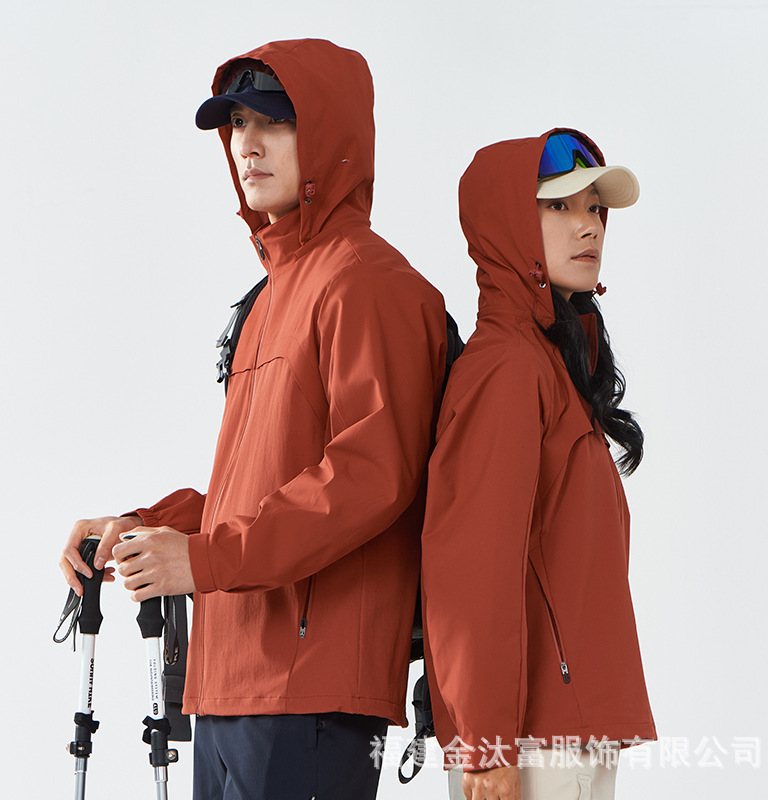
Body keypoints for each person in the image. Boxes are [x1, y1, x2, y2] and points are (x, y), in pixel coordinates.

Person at [59, 38, 446, 800]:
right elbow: (258, 494)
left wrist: (203, 562)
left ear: (330, 135)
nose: (248, 144)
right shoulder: (272, 297)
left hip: (311, 693)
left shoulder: (370, 284)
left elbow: (369, 477)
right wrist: (144, 529)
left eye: (274, 121)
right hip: (229, 684)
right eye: (236, 124)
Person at [421, 130, 656, 800]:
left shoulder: (555, 370)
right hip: (529, 743)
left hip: (569, 732)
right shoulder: (509, 370)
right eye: (559, 207)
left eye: (595, 208)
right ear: (508, 225)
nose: (589, 226)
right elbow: (473, 569)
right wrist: (486, 743)